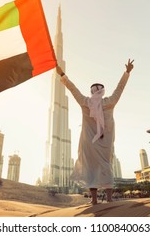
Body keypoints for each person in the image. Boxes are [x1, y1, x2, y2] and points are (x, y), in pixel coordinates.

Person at [56, 59, 134, 205]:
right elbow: (120, 88)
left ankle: (94, 200)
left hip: (89, 142)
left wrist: (62, 74)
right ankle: (109, 199)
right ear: (102, 91)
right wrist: (127, 72)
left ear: (92, 92)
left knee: (91, 168)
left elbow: (73, 89)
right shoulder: (110, 101)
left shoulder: (85, 102)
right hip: (106, 141)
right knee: (106, 166)